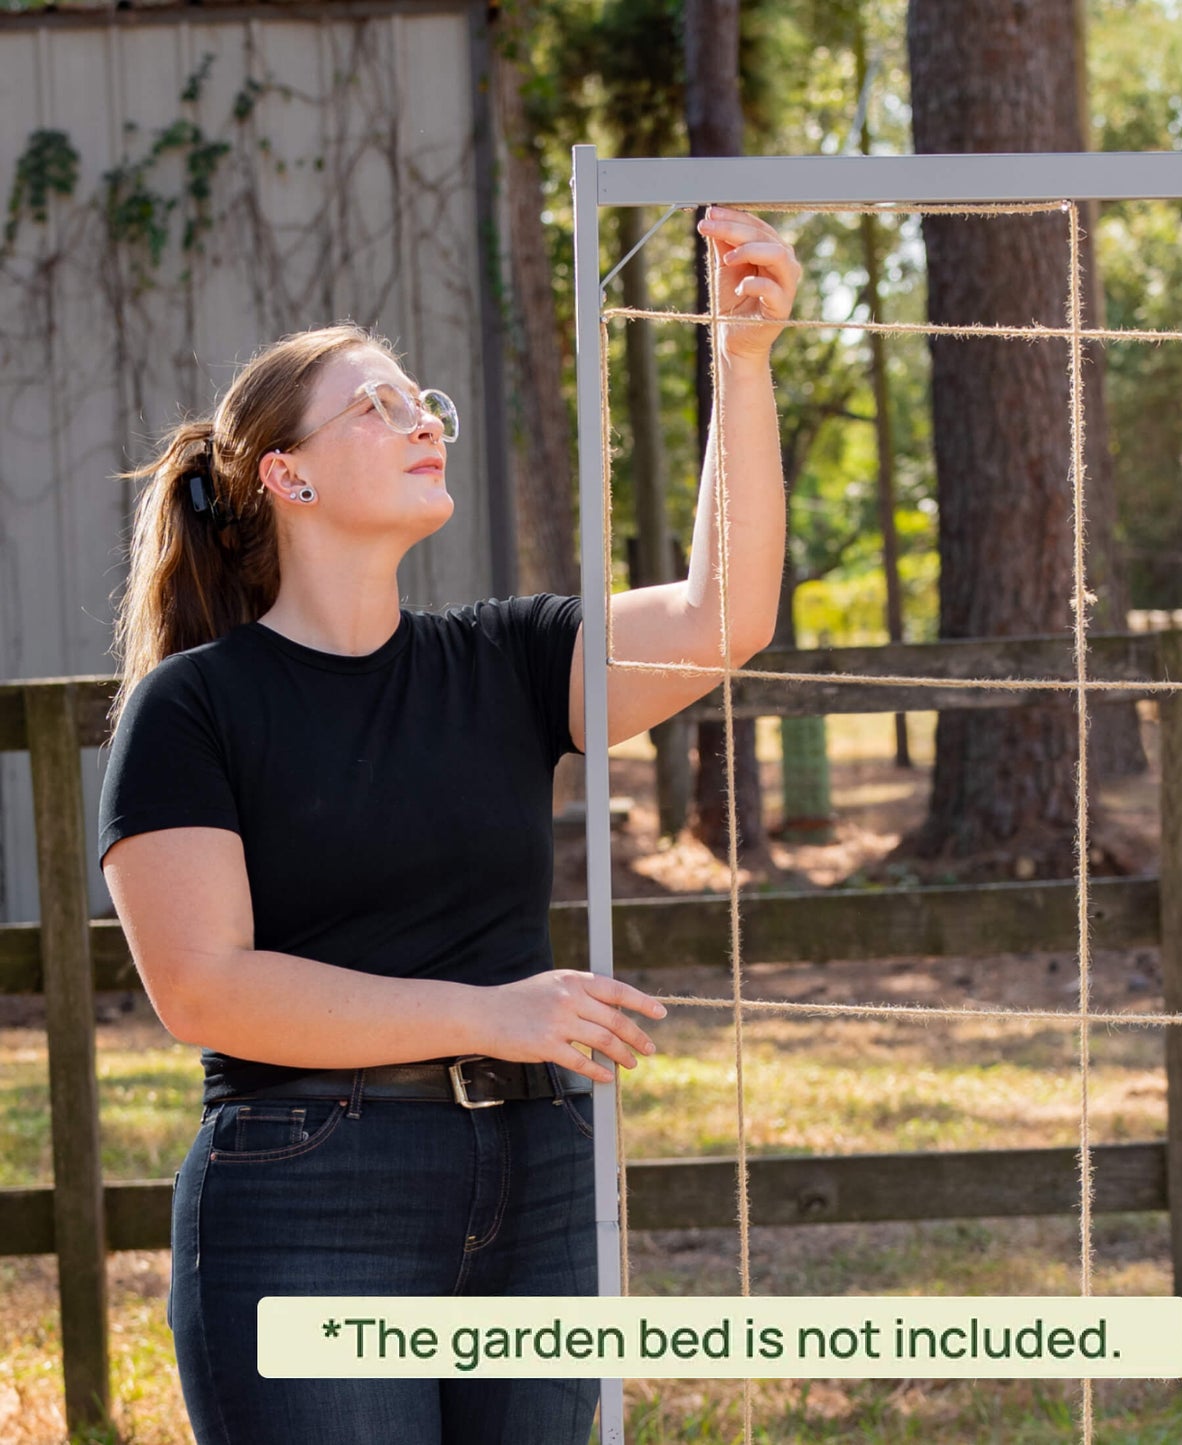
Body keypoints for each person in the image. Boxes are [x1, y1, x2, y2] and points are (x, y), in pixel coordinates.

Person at [98, 205, 799, 1445]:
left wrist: (740, 362)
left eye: (420, 397)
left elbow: (721, 615)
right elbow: (205, 991)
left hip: (539, 1170)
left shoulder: (507, 658)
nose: (420, 416)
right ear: (286, 475)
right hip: (308, 1184)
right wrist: (491, 1011)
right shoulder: (191, 705)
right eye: (374, 405)